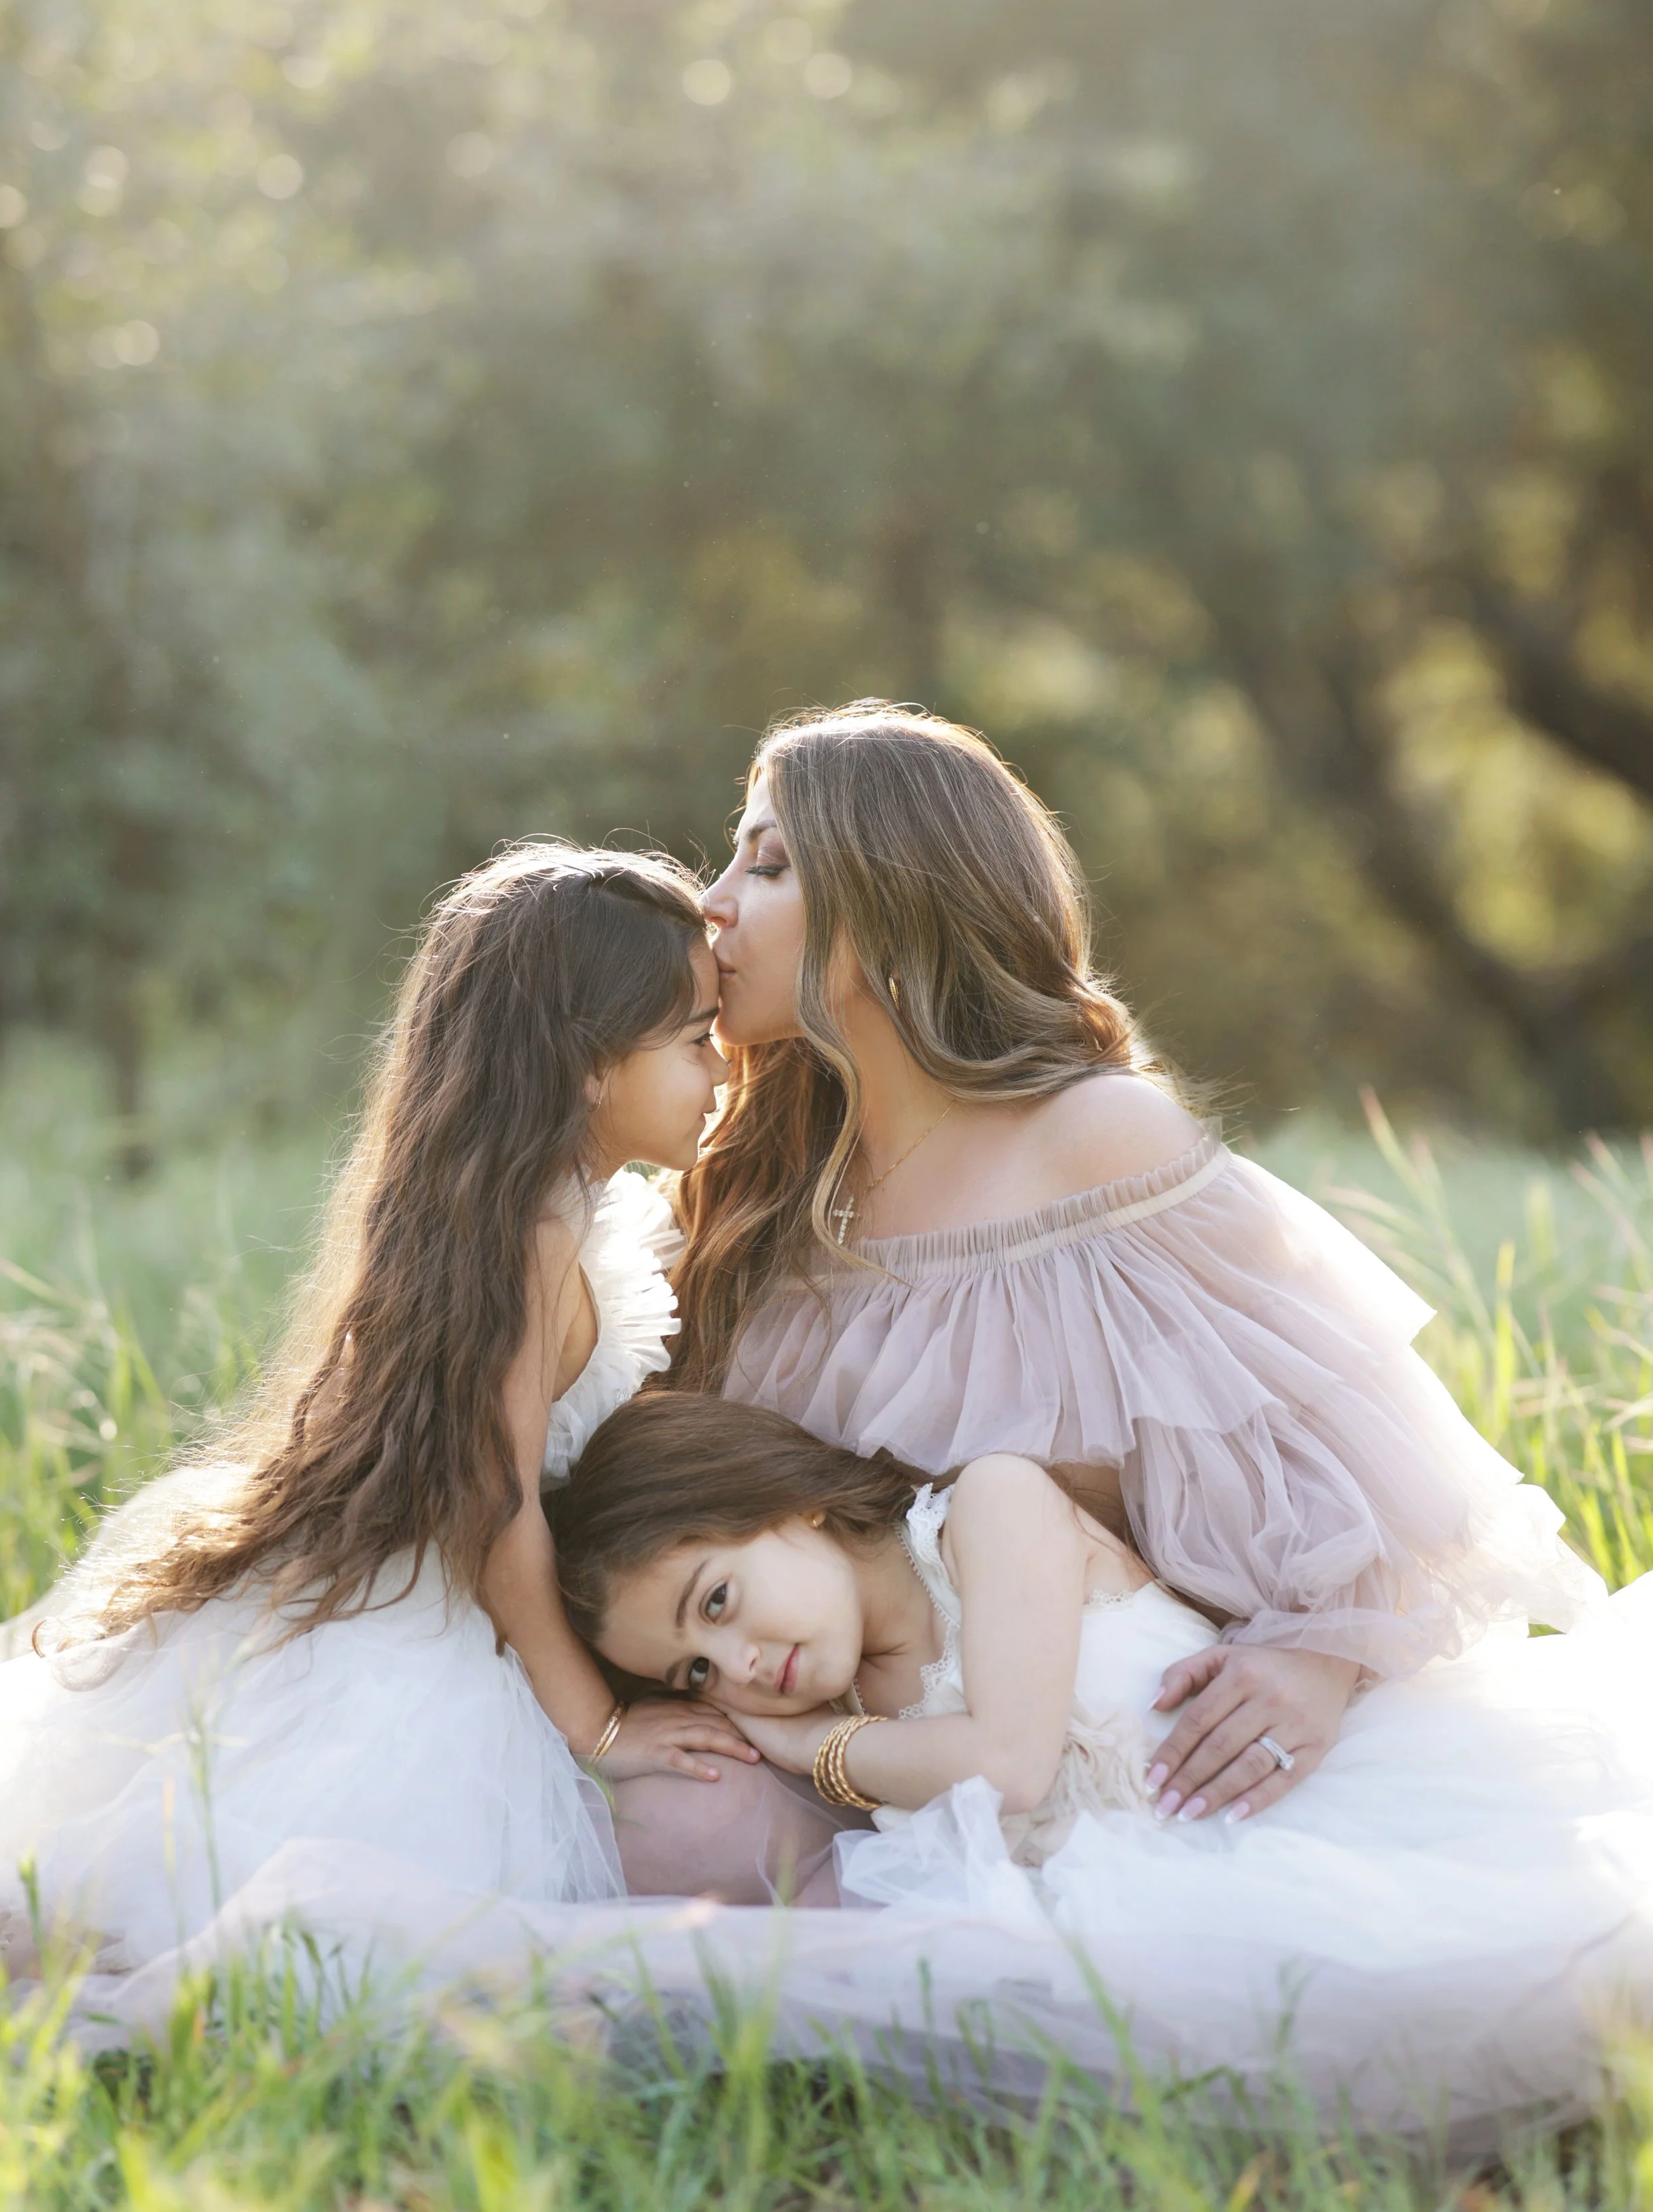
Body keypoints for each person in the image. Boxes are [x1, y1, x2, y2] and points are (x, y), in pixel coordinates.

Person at [672, 702, 1599, 1823]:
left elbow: (1355, 1459)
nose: (712, 900)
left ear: (892, 896)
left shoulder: (1099, 1142)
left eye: (765, 865)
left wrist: (1318, 1658)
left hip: (1132, 1751)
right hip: (865, 1766)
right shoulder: (755, 1185)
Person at [0, 844, 841, 1989]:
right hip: (428, 1629)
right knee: (263, 1931)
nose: (721, 1073)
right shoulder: (535, 1233)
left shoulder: (536, 1211)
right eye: (694, 1043)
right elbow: (497, 1500)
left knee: (180, 1897)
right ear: (590, 1066)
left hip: (426, 1597)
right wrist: (594, 1727)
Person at [548, 1387, 1653, 2134]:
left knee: (1545, 1959)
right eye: (695, 1673)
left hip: (1280, 1819)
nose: (739, 1664)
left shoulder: (987, 1506)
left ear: (785, 1503)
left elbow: (1011, 1763)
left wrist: (808, 1747)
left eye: (720, 1602)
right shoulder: (862, 1702)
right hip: (1138, 1899)